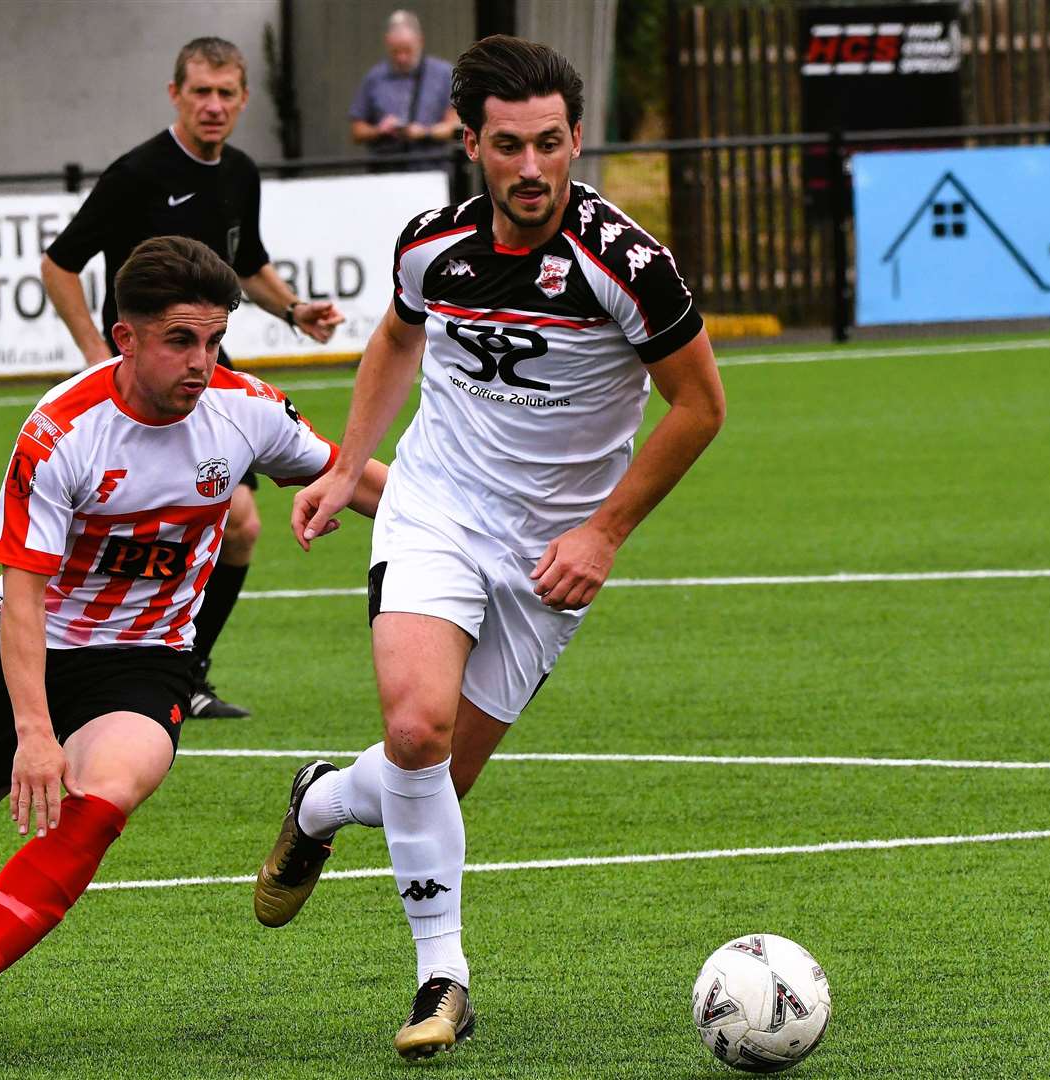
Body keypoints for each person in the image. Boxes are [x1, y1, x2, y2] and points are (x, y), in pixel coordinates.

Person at [0, 237, 386, 1052]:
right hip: (28, 651)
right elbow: (24, 594)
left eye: (213, 341)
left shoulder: (245, 410)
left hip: (145, 659)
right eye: (180, 340)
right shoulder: (62, 431)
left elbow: (356, 478)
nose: (201, 362)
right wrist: (34, 732)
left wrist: (459, 541)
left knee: (108, 791)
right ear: (123, 335)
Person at [252, 35, 726, 1060]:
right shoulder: (433, 246)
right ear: (471, 143)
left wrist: (602, 533)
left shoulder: (629, 265)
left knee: (437, 781)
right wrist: (347, 466)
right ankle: (443, 978)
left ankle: (324, 800)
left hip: (550, 555)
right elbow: (394, 337)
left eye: (549, 144)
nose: (530, 169)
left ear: (575, 139)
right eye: (507, 146)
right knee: (417, 731)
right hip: (435, 510)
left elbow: (700, 406)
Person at [42, 36, 345, 719]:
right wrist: (96, 353)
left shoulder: (238, 171)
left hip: (207, 365)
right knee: (218, 517)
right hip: (139, 372)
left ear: (243, 99)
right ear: (174, 94)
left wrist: (294, 308)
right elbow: (59, 264)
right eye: (200, 92)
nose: (213, 106)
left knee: (239, 528)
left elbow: (244, 264)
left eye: (226, 93)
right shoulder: (137, 174)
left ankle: (185, 668)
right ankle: (94, 650)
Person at [348, 10, 460, 168]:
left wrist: (425, 132)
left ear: (420, 41)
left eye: (408, 50)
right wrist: (379, 130)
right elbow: (356, 131)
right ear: (387, 42)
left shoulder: (443, 74)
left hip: (432, 171)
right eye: (396, 52)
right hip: (386, 171)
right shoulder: (374, 78)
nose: (402, 58)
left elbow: (455, 126)